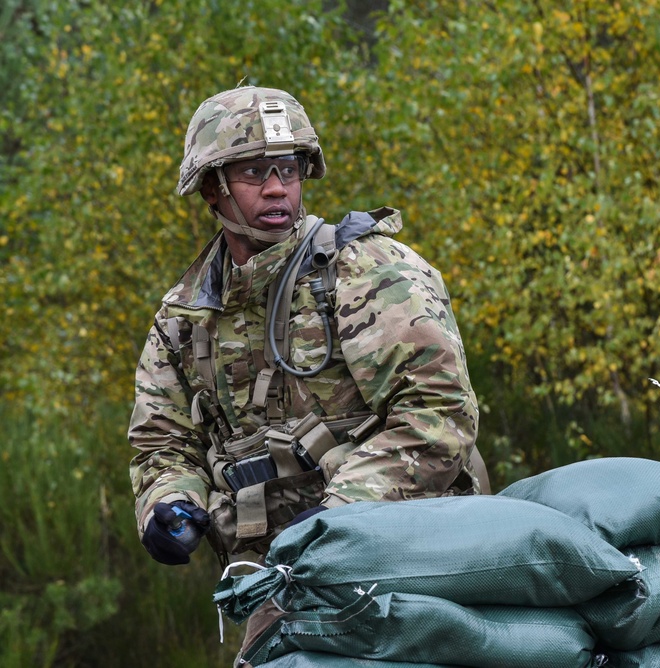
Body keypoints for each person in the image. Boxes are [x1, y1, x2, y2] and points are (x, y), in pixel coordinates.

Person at [129, 85, 483, 575]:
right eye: (254, 172)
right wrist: (170, 502)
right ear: (212, 188)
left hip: (409, 550)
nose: (277, 188)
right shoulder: (184, 316)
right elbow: (162, 443)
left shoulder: (367, 270)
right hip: (276, 575)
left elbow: (439, 416)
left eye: (288, 170)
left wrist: (338, 516)